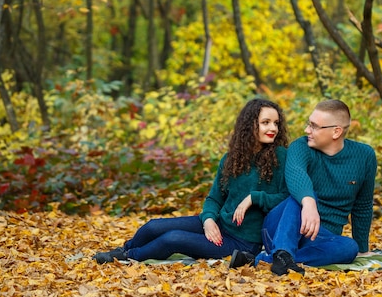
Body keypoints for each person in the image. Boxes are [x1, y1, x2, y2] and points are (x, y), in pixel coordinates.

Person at [93, 98, 290, 264]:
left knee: (173, 239)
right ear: (250, 125)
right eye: (266, 122)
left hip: (243, 241)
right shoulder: (232, 158)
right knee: (153, 226)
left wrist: (253, 198)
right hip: (220, 225)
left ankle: (128, 258)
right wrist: (209, 220)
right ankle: (124, 249)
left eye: (276, 123)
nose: (273, 128)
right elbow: (214, 198)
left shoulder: (281, 157)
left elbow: (286, 199)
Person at [229, 99, 377, 275]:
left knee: (349, 248)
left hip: (319, 237)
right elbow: (296, 175)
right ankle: (283, 252)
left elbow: (363, 205)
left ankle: (265, 260)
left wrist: (362, 247)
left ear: (336, 132)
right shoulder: (301, 146)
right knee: (300, 195)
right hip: (281, 226)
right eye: (309, 124)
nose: (307, 130)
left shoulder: (364, 156)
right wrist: (309, 203)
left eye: (314, 126)